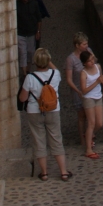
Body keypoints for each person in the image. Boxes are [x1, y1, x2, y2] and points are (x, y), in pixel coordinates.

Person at [19, 47, 72, 181]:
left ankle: (44, 173)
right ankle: (63, 172)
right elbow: (55, 69)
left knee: (39, 141)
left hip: (35, 112)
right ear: (48, 60)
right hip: (53, 110)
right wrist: (48, 61)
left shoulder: (30, 78)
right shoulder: (55, 74)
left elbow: (23, 98)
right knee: (56, 140)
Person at [80, 49, 103, 159]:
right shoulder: (83, 73)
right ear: (85, 63)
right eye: (89, 61)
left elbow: (102, 79)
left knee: (99, 123)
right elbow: (84, 90)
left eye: (92, 59)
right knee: (91, 123)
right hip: (88, 98)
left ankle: (88, 135)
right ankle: (88, 149)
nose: (92, 62)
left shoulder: (97, 67)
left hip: (98, 96)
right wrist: (97, 82)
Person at [65, 32, 90, 147]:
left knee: (90, 114)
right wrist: (78, 91)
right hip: (78, 90)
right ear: (77, 45)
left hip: (89, 88)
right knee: (82, 116)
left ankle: (89, 135)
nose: (86, 46)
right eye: (84, 44)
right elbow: (69, 79)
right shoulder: (71, 59)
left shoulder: (88, 52)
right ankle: (82, 138)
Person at [16, 0, 44, 83]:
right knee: (22, 52)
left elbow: (39, 19)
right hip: (20, 33)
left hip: (31, 32)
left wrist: (38, 31)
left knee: (30, 52)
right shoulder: (16, 4)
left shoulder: (34, 4)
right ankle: (24, 74)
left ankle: (27, 70)